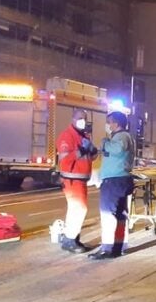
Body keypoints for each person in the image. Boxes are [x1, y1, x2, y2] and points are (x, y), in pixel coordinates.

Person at [88, 111, 135, 260]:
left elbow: (117, 149)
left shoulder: (122, 137)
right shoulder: (120, 137)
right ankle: (118, 246)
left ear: (116, 123)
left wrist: (104, 143)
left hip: (114, 181)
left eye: (109, 122)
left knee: (108, 214)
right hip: (119, 180)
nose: (107, 125)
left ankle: (107, 248)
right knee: (120, 214)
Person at [56, 109, 97, 253]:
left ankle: (74, 239)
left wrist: (92, 151)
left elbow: (90, 158)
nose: (83, 121)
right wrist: (81, 151)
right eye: (80, 118)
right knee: (78, 209)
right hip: (71, 179)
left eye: (85, 118)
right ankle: (69, 240)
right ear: (73, 119)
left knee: (77, 209)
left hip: (80, 179)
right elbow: (65, 160)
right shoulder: (67, 136)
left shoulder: (83, 136)